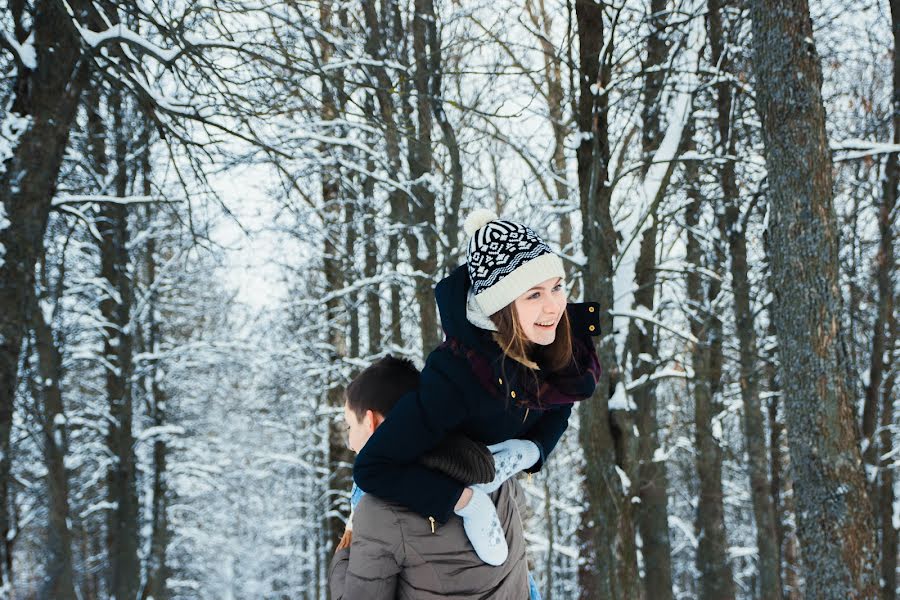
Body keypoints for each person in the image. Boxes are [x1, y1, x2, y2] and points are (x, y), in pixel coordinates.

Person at [354, 209, 602, 566]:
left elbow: (561, 403)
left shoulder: (554, 338)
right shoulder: (457, 376)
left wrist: (530, 450)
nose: (553, 306)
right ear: (499, 304)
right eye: (533, 294)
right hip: (433, 494)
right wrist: (468, 504)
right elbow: (373, 467)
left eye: (556, 287)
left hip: (500, 489)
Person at [330, 355, 532, 599]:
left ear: (372, 422)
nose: (350, 444)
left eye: (350, 426)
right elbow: (519, 507)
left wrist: (342, 557)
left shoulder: (379, 511)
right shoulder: (486, 465)